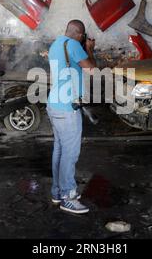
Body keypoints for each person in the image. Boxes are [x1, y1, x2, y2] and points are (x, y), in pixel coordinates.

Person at [47, 20, 96, 214]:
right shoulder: (74, 45)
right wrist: (90, 49)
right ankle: (68, 196)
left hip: (54, 105)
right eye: (83, 36)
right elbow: (92, 69)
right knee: (70, 153)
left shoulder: (55, 44)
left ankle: (57, 192)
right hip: (67, 108)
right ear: (79, 34)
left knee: (59, 149)